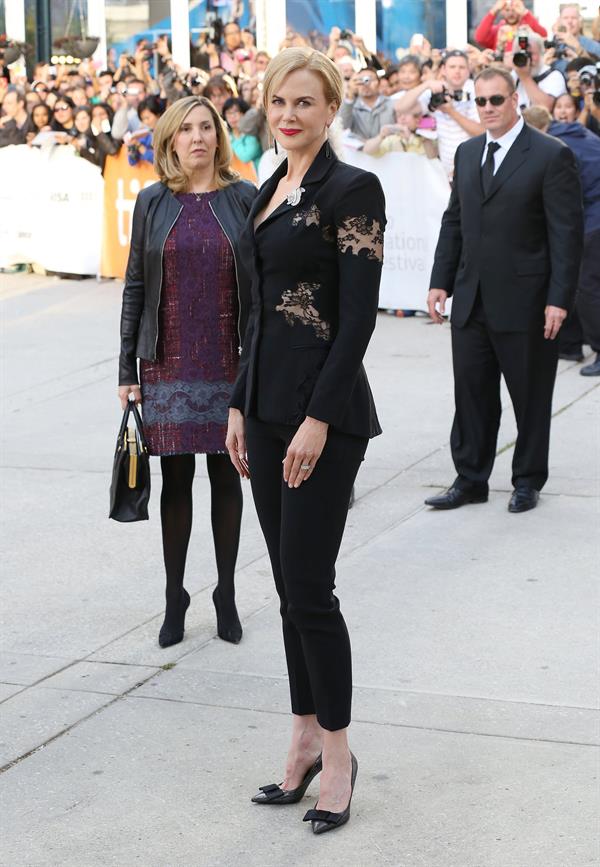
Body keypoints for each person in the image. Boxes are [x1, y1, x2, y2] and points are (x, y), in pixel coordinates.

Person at [226, 47, 385, 835]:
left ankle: (340, 751)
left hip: (323, 414)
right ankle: (300, 736)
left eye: (305, 103)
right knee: (288, 589)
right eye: (279, 102)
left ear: (330, 110)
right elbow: (256, 315)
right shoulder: (268, 189)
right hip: (262, 408)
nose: (290, 114)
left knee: (310, 589)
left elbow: (356, 318)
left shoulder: (354, 190)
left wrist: (318, 419)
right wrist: (236, 405)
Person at [118, 95, 257, 648]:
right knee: (175, 480)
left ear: (219, 137)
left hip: (229, 356)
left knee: (227, 474)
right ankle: (175, 595)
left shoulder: (244, 197)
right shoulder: (152, 202)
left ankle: (226, 591)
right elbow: (134, 286)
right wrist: (127, 367)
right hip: (166, 360)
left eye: (207, 128)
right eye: (187, 129)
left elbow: (263, 285)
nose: (198, 137)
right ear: (170, 140)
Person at [426, 65, 583, 513]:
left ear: (516, 99)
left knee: (531, 397)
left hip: (528, 303)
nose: (488, 108)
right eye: (481, 101)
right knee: (471, 395)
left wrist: (559, 299)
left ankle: (527, 480)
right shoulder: (469, 151)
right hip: (471, 299)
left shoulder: (551, 156)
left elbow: (565, 236)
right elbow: (454, 220)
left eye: (497, 99)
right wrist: (440, 280)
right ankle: (470, 478)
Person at [524, 104, 600, 376]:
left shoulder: (556, 147)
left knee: (587, 287)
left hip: (593, 218)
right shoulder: (576, 133)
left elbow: (566, 195)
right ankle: (571, 344)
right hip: (592, 213)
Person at [394, 50, 484, 177]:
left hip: (475, 167)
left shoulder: (478, 90)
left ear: (468, 70)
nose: (457, 71)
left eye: (462, 67)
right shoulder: (437, 91)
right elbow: (400, 108)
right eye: (452, 67)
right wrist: (426, 85)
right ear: (443, 69)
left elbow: (482, 132)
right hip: (446, 171)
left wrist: (451, 111)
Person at [509, 33, 566, 111]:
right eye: (519, 54)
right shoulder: (512, 76)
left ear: (541, 53)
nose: (526, 58)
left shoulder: (554, 76)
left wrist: (525, 78)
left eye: (530, 54)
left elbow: (545, 108)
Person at [339, 65, 395, 140]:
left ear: (378, 83)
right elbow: (342, 126)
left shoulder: (391, 103)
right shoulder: (351, 106)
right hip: (360, 149)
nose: (366, 83)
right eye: (360, 80)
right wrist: (350, 94)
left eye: (369, 79)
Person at [475, 0, 547, 51]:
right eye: (507, 10)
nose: (511, 13)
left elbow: (543, 36)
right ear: (502, 11)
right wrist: (494, 11)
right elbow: (480, 38)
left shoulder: (528, 28)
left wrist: (525, 13)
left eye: (514, 10)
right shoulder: (498, 29)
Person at [222, 95, 261, 181]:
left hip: (258, 183)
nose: (232, 116)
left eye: (236, 112)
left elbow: (245, 156)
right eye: (228, 113)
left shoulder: (251, 133)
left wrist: (232, 141)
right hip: (237, 184)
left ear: (244, 113)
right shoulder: (228, 135)